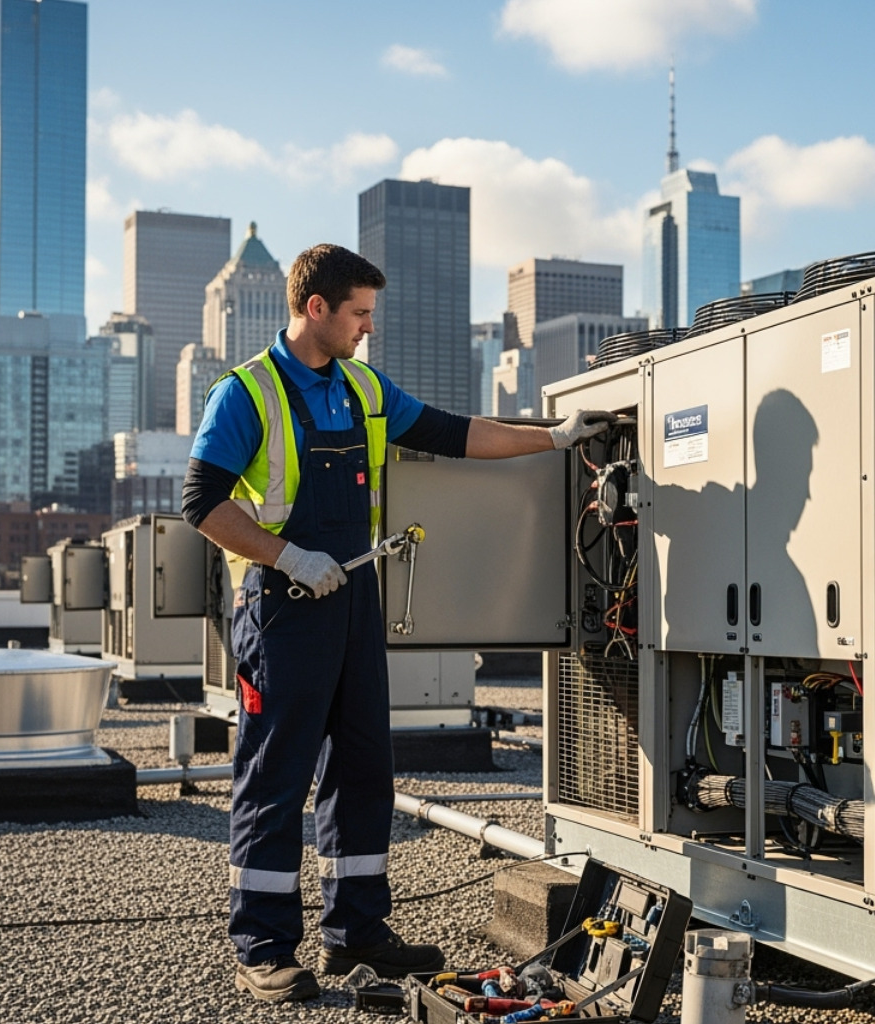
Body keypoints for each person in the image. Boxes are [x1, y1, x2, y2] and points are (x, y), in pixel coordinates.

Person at [181, 243, 612, 1003]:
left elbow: (455, 433)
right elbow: (201, 503)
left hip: (353, 608)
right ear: (316, 308)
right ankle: (264, 948)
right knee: (274, 780)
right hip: (283, 612)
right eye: (359, 313)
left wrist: (551, 437)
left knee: (362, 771)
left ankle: (357, 933)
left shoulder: (363, 387)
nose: (367, 328)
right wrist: (286, 557)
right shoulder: (246, 393)